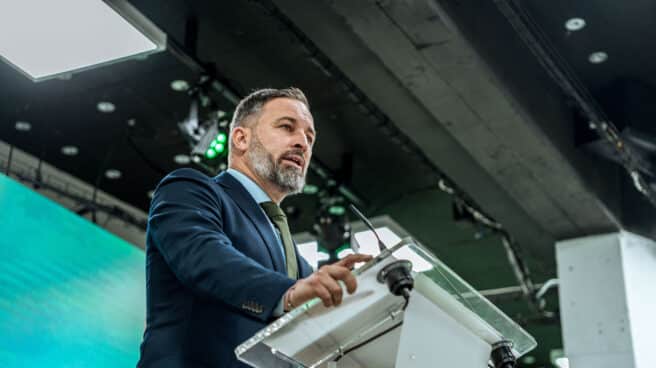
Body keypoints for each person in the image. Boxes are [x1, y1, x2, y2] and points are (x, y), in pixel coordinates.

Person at [137, 87, 371, 368]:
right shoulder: (191, 189)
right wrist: (286, 293)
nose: (302, 143)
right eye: (287, 127)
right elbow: (205, 258)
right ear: (241, 138)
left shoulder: (296, 260)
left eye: (309, 137)